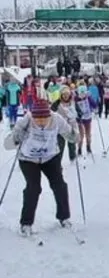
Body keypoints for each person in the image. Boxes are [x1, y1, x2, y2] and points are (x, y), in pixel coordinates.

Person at [4, 99, 76, 235]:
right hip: (28, 159)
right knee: (33, 188)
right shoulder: (26, 121)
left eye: (44, 118)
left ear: (49, 115)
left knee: (59, 185)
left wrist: (74, 131)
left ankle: (64, 217)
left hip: (50, 157)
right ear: (33, 116)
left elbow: (72, 136)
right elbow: (7, 145)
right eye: (38, 119)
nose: (41, 121)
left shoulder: (56, 119)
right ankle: (26, 223)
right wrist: (17, 138)